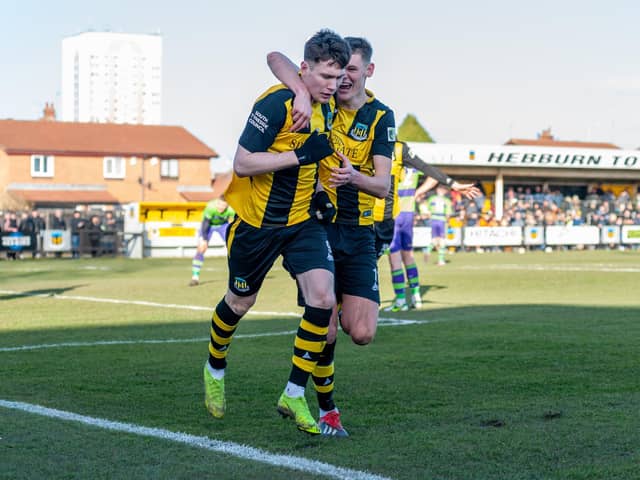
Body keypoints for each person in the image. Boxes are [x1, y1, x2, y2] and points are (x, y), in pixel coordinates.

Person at [202, 29, 351, 436]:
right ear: (304, 70)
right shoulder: (277, 103)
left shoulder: (327, 109)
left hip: (302, 223)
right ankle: (215, 365)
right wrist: (300, 153)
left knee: (322, 299)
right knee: (240, 302)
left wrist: (324, 191)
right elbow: (243, 163)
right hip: (256, 226)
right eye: (324, 77)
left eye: (337, 78)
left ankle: (292, 392)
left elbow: (317, 164)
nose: (332, 86)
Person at [268, 36, 395, 437]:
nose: (342, 80)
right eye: (339, 73)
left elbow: (382, 186)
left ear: (367, 72)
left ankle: (325, 331)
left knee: (362, 332)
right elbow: (276, 57)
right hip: (316, 227)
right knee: (325, 326)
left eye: (351, 71)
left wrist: (351, 177)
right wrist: (299, 93)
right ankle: (327, 409)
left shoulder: (380, 116)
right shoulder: (319, 100)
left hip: (359, 234)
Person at [374, 142, 480, 312]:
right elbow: (431, 174)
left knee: (394, 259)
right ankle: (416, 296)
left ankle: (400, 299)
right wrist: (418, 192)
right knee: (408, 256)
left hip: (393, 212)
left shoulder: (389, 163)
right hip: (408, 213)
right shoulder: (410, 164)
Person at [189, 196, 235, 286]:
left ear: (227, 205)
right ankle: (195, 277)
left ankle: (239, 275)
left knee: (234, 247)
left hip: (222, 225)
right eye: (219, 205)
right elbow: (205, 223)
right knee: (201, 248)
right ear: (217, 202)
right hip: (208, 225)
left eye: (223, 206)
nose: (221, 208)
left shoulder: (231, 209)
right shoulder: (210, 207)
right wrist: (205, 239)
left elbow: (233, 223)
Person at [421, 184, 453, 267]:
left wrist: (426, 214)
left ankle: (427, 251)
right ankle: (441, 260)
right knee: (442, 240)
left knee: (434, 239)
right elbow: (448, 214)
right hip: (441, 220)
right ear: (445, 191)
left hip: (434, 220)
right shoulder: (447, 200)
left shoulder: (432, 199)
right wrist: (448, 222)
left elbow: (425, 209)